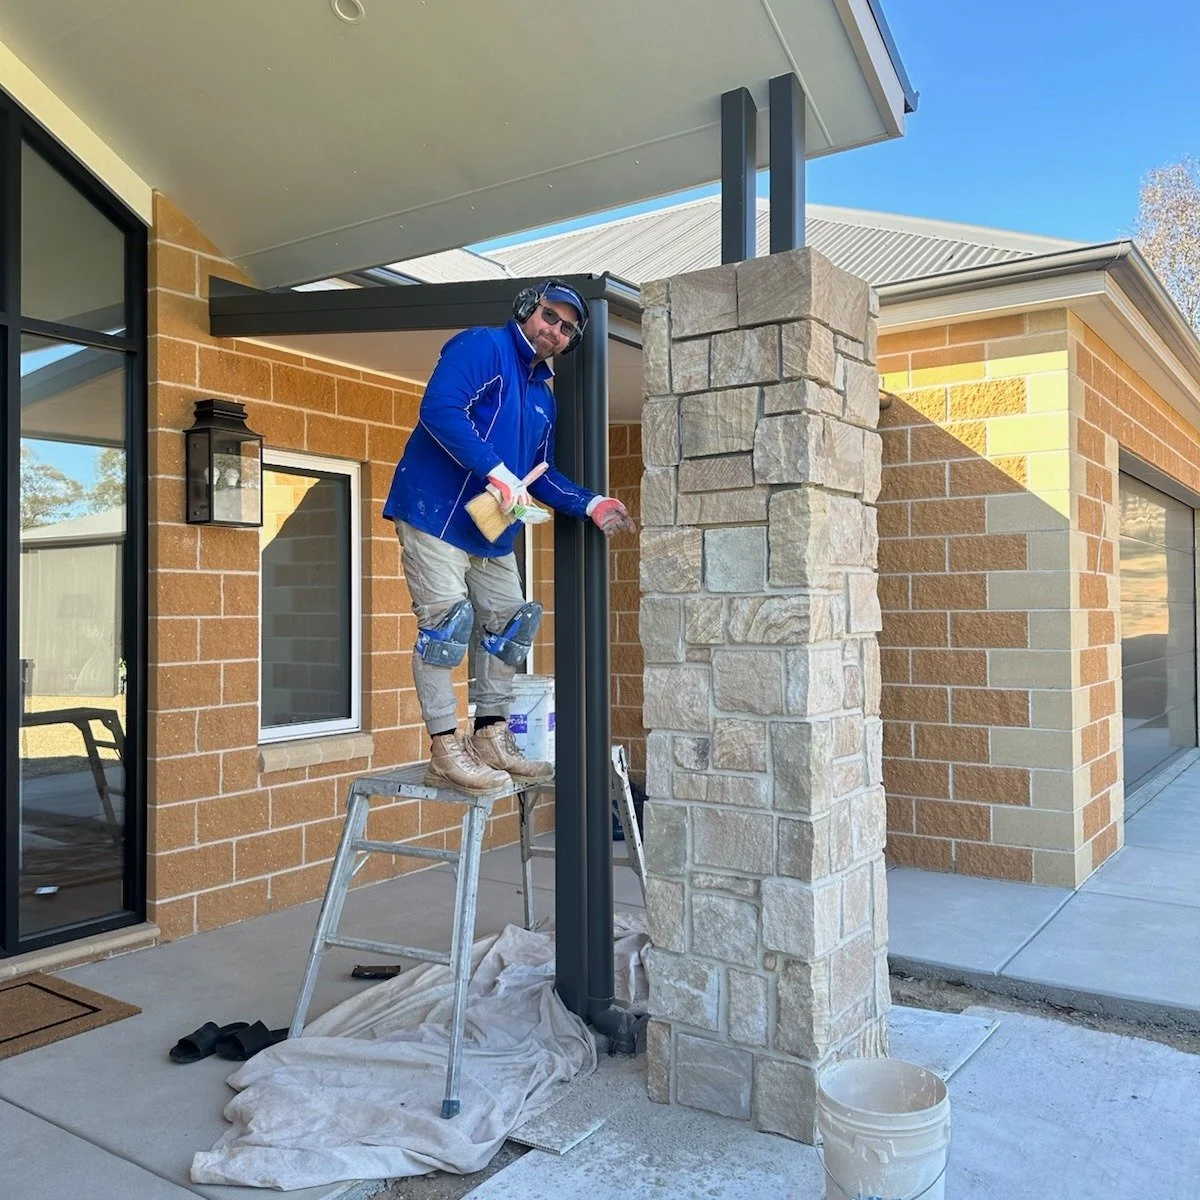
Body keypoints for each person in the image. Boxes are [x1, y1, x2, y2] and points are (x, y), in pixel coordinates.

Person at [384, 279, 637, 793]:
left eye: (567, 328)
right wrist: (496, 469)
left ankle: (489, 734)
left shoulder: (543, 395)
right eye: (550, 316)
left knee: (511, 624)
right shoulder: (482, 346)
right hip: (436, 512)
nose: (555, 330)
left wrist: (591, 502)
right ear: (528, 309)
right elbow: (440, 410)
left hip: (492, 525)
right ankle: (443, 746)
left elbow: (536, 474)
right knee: (445, 627)